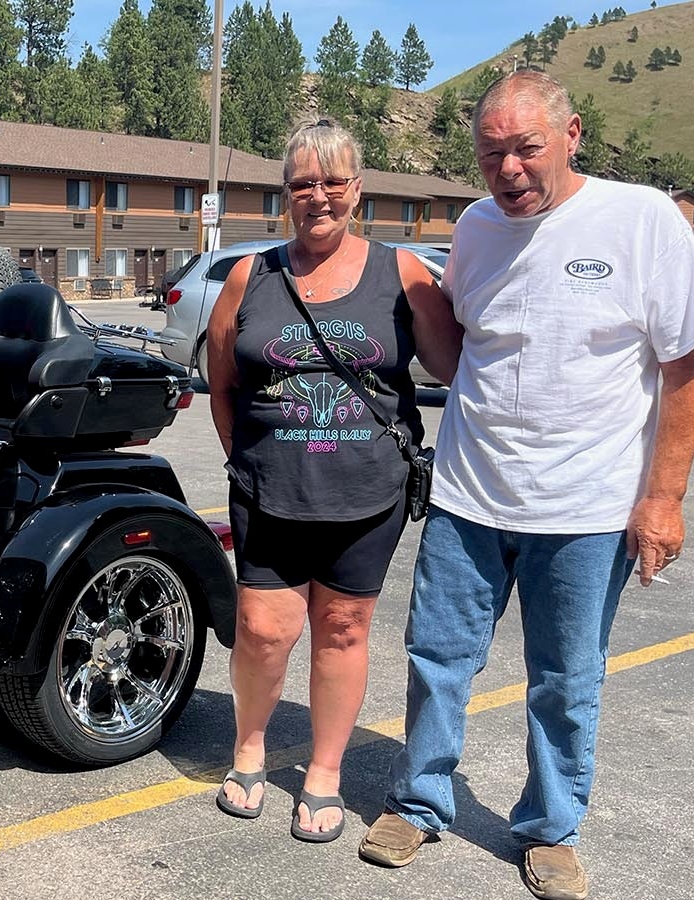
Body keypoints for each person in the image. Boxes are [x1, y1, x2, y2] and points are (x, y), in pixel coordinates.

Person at [358, 71, 694, 900]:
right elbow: (460, 351)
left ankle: (550, 827)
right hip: (469, 493)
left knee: (567, 678)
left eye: (527, 148)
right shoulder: (476, 228)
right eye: (492, 153)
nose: (510, 170)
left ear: (571, 136)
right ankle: (419, 802)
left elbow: (689, 366)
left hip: (589, 506)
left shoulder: (641, 220)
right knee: (437, 659)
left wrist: (663, 498)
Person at [204, 119, 461, 843]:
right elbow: (221, 378)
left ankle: (323, 773)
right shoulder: (251, 276)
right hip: (268, 488)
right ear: (284, 194)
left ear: (358, 188)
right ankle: (249, 748)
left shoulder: (403, 273)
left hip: (365, 493)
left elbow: (455, 365)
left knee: (343, 629)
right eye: (302, 184)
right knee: (260, 630)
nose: (318, 197)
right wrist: (241, 455)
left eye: (333, 181)